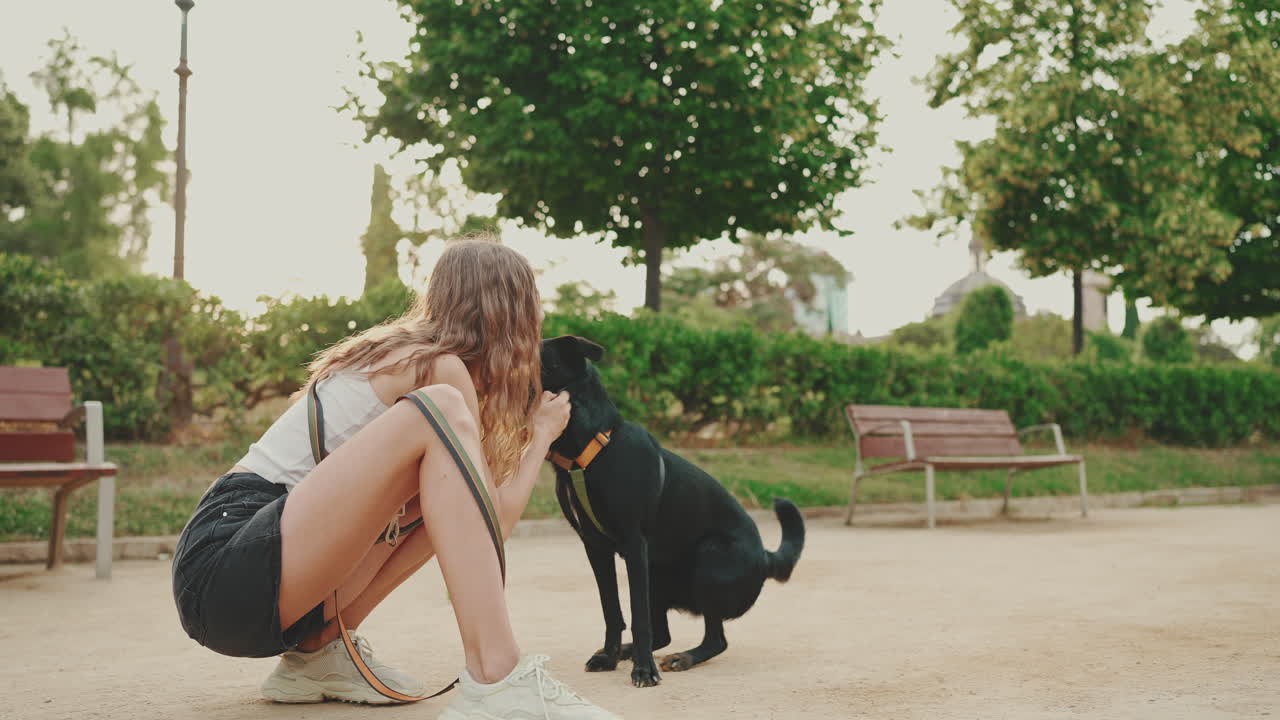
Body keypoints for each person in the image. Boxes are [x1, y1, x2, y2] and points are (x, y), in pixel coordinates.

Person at [171, 237, 621, 720]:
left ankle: (317, 655)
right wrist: (538, 438)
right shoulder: (436, 368)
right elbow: (495, 522)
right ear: (512, 312)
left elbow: (478, 523)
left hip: (255, 588)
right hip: (225, 562)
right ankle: (497, 678)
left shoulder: (415, 358)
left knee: (439, 503)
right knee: (442, 415)